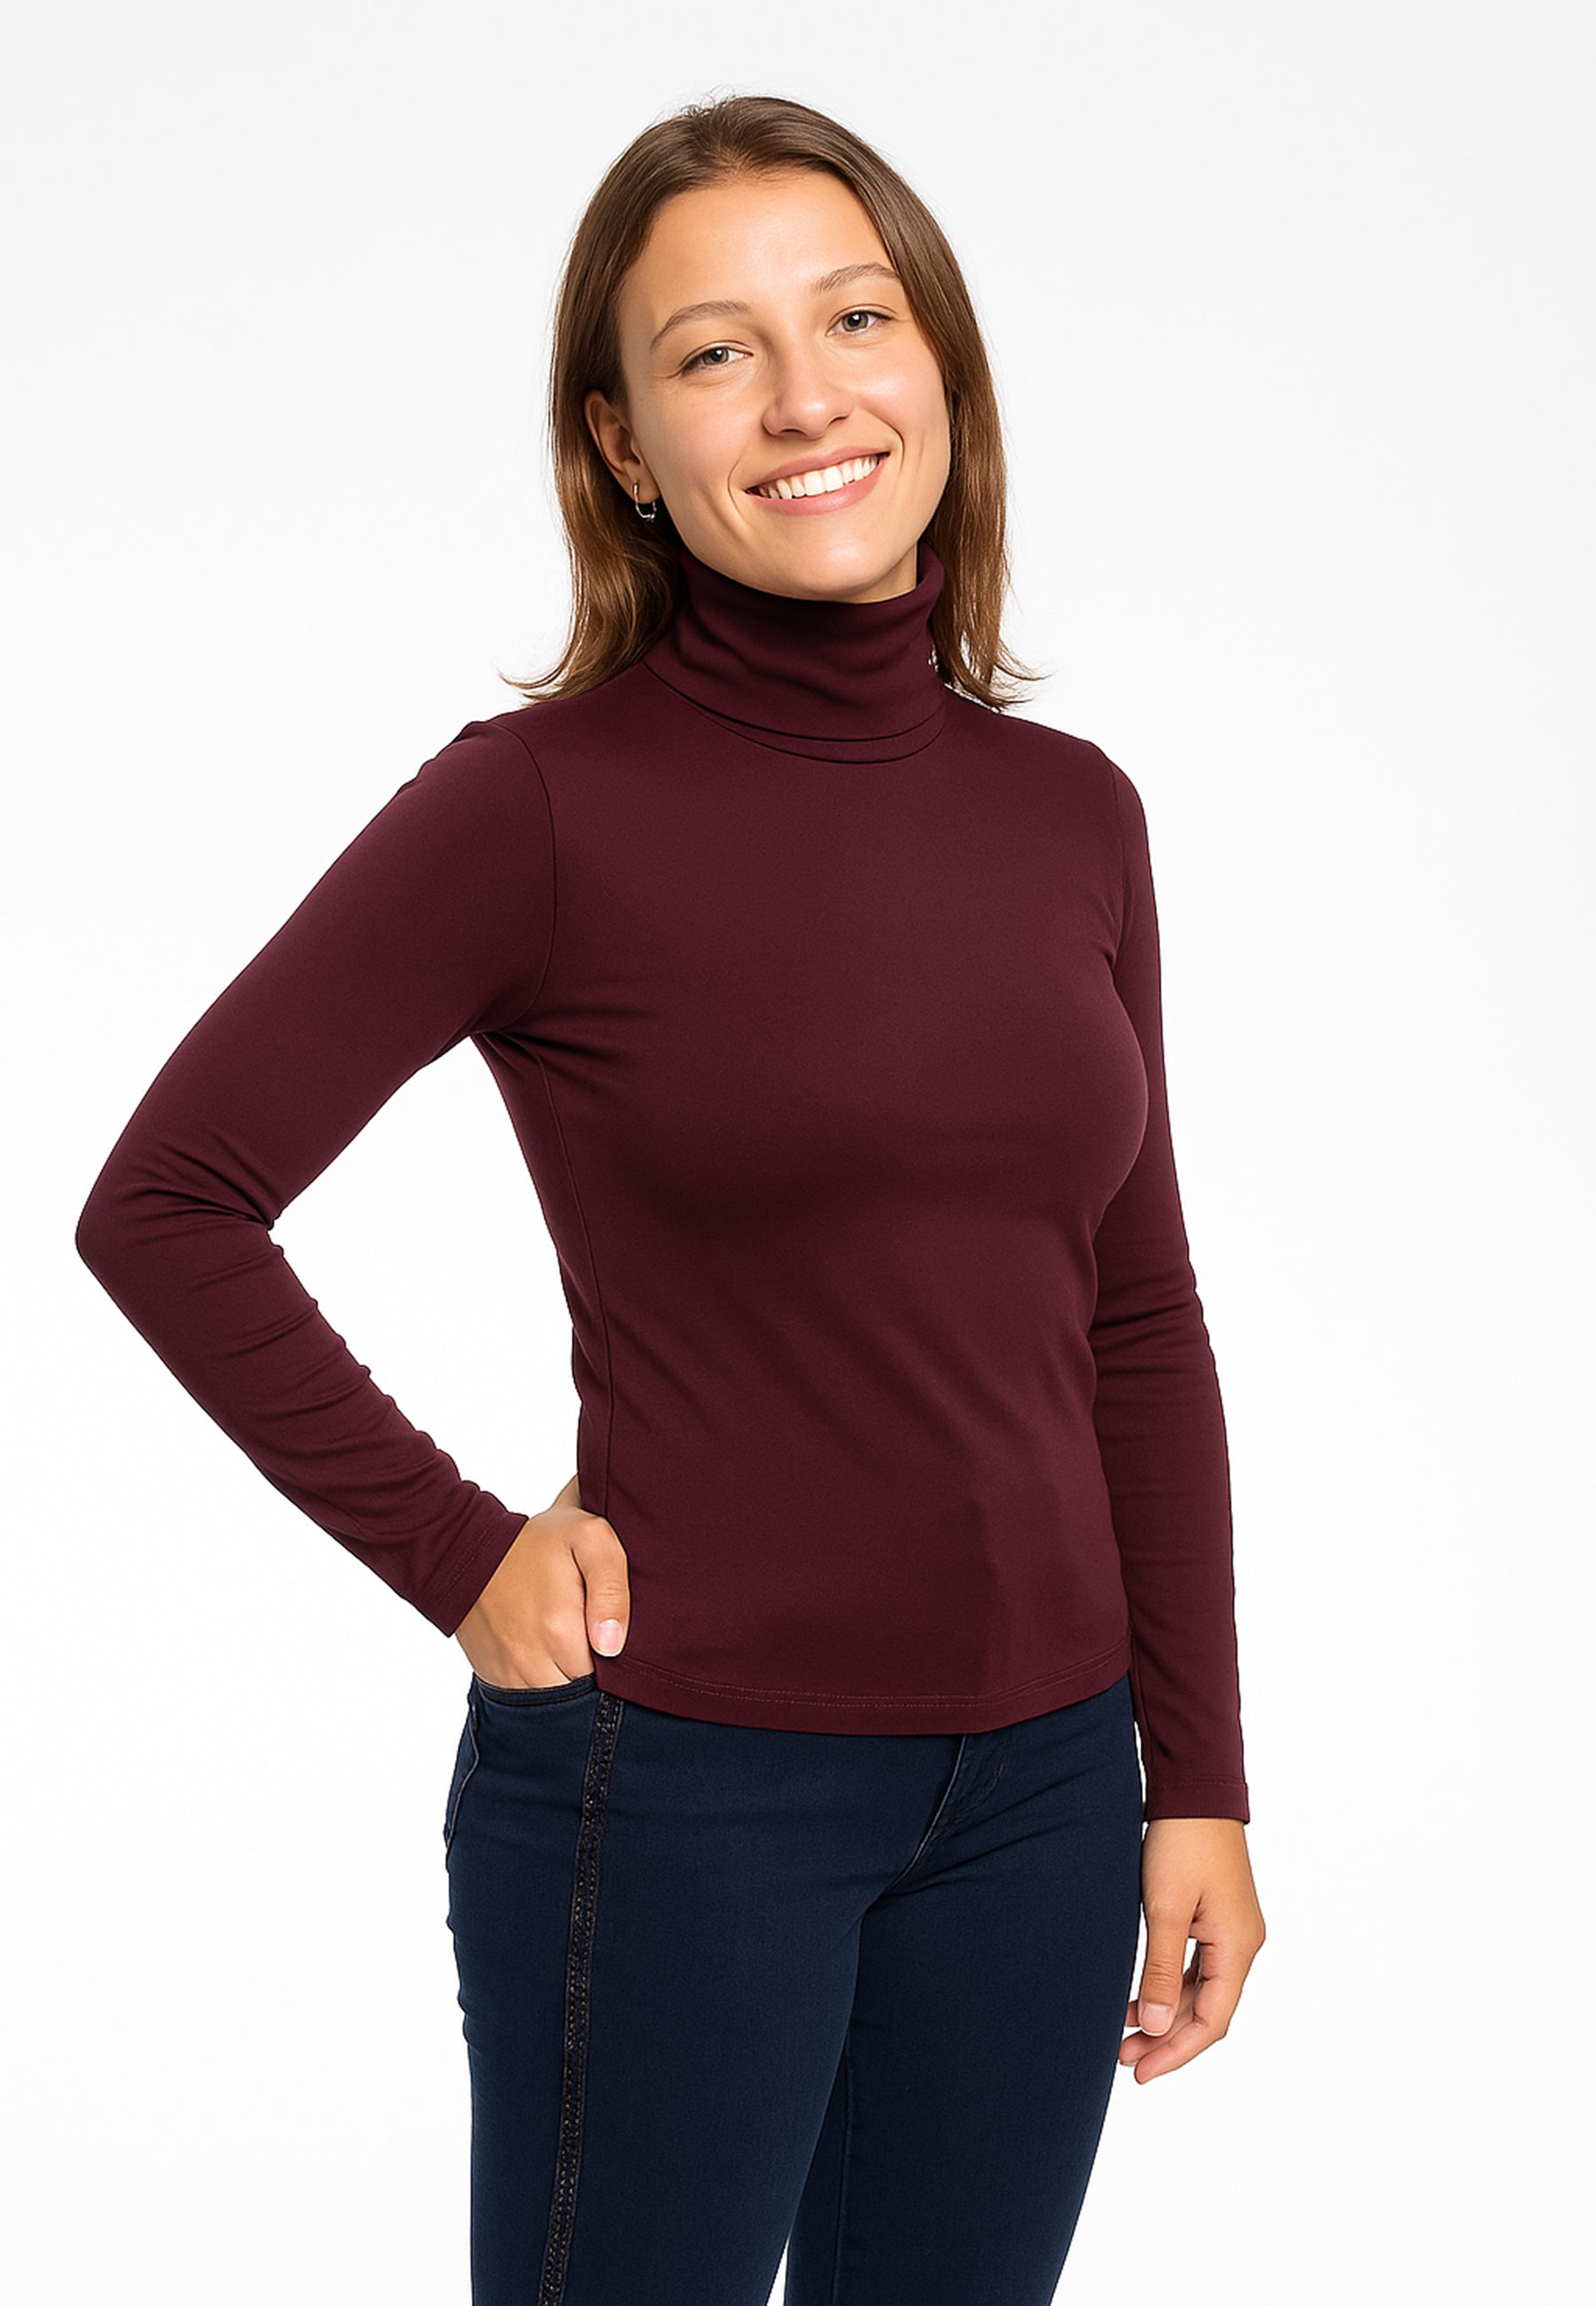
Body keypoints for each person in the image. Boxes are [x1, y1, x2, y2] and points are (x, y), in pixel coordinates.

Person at [75, 90, 1266, 2306]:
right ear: (622, 443)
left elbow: (1136, 1314)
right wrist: (457, 1551)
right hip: (688, 1790)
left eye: (858, 319)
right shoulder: (537, 809)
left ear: (943, 367)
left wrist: (1195, 1770)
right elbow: (166, 1202)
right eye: (718, 353)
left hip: (1043, 1795)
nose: (809, 397)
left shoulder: (1074, 810)